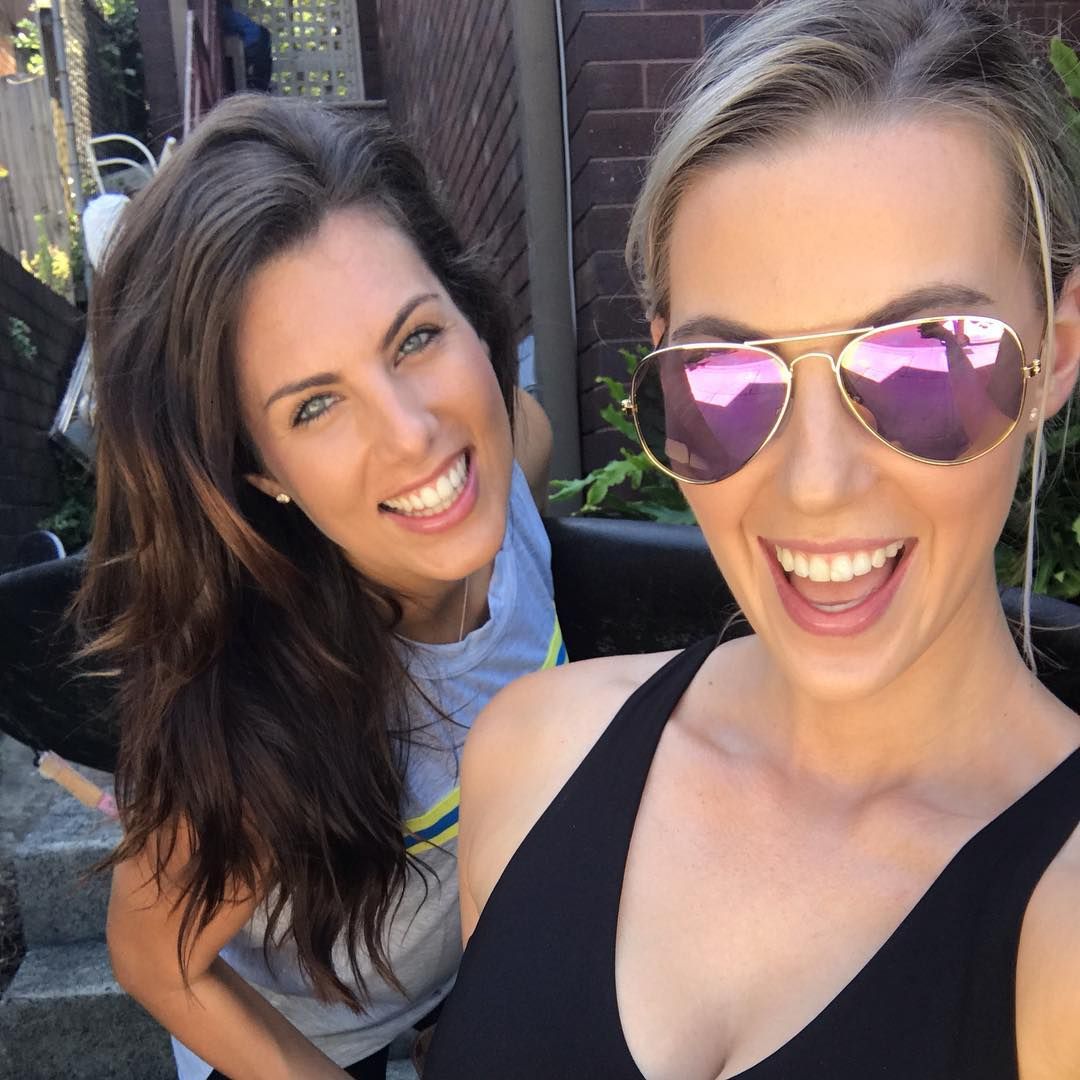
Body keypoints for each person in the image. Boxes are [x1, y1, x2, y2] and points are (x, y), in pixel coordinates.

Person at [424, 2, 1080, 1077]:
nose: (815, 484)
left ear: (1055, 350)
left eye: (926, 363)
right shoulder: (533, 758)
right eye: (727, 377)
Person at [75, 94, 558, 1080]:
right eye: (315, 406)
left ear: (471, 317)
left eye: (416, 339)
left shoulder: (510, 459)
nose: (414, 435)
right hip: (300, 1038)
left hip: (438, 980)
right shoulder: (254, 713)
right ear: (261, 473)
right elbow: (154, 959)